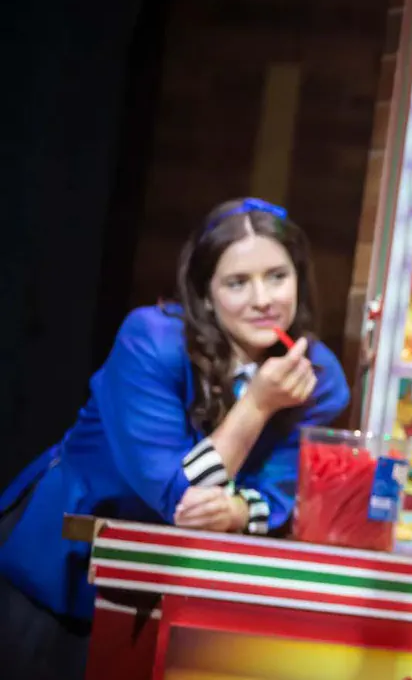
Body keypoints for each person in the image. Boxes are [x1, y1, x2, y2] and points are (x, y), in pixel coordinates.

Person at [0, 198, 351, 680]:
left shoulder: (318, 375)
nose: (262, 299)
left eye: (277, 276)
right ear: (205, 294)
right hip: (67, 569)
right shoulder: (150, 339)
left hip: (185, 596)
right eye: (237, 283)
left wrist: (240, 511)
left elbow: (286, 495)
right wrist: (258, 405)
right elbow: (178, 496)